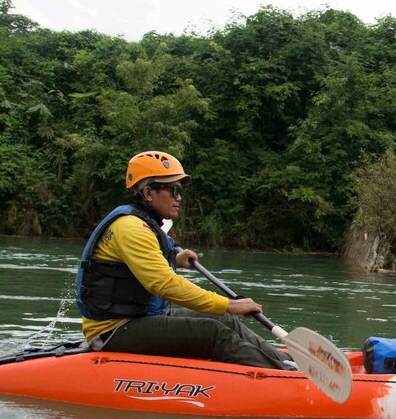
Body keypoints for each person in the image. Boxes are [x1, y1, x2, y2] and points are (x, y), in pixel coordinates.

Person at [75, 150, 295, 370]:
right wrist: (228, 304)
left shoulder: (142, 223)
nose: (179, 197)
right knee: (212, 332)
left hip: (140, 316)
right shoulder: (132, 229)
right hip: (114, 329)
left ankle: (288, 363)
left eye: (179, 190)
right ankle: (287, 377)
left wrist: (173, 258)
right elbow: (165, 285)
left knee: (224, 320)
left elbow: (139, 264)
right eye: (173, 190)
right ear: (149, 192)